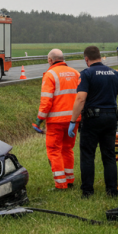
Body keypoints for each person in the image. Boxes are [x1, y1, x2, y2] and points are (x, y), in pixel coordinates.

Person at [69, 45, 118, 198]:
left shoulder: (87, 74)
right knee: (109, 155)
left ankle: (88, 192)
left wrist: (73, 121)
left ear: (86, 59)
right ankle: (112, 191)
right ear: (100, 56)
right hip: (110, 118)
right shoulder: (114, 73)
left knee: (88, 155)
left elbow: (81, 98)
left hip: (92, 119)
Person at [34, 49, 82, 189]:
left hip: (56, 121)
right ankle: (69, 180)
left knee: (54, 151)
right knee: (67, 149)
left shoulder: (50, 75)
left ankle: (61, 185)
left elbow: (46, 101)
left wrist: (39, 119)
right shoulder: (76, 73)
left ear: (50, 60)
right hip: (73, 119)